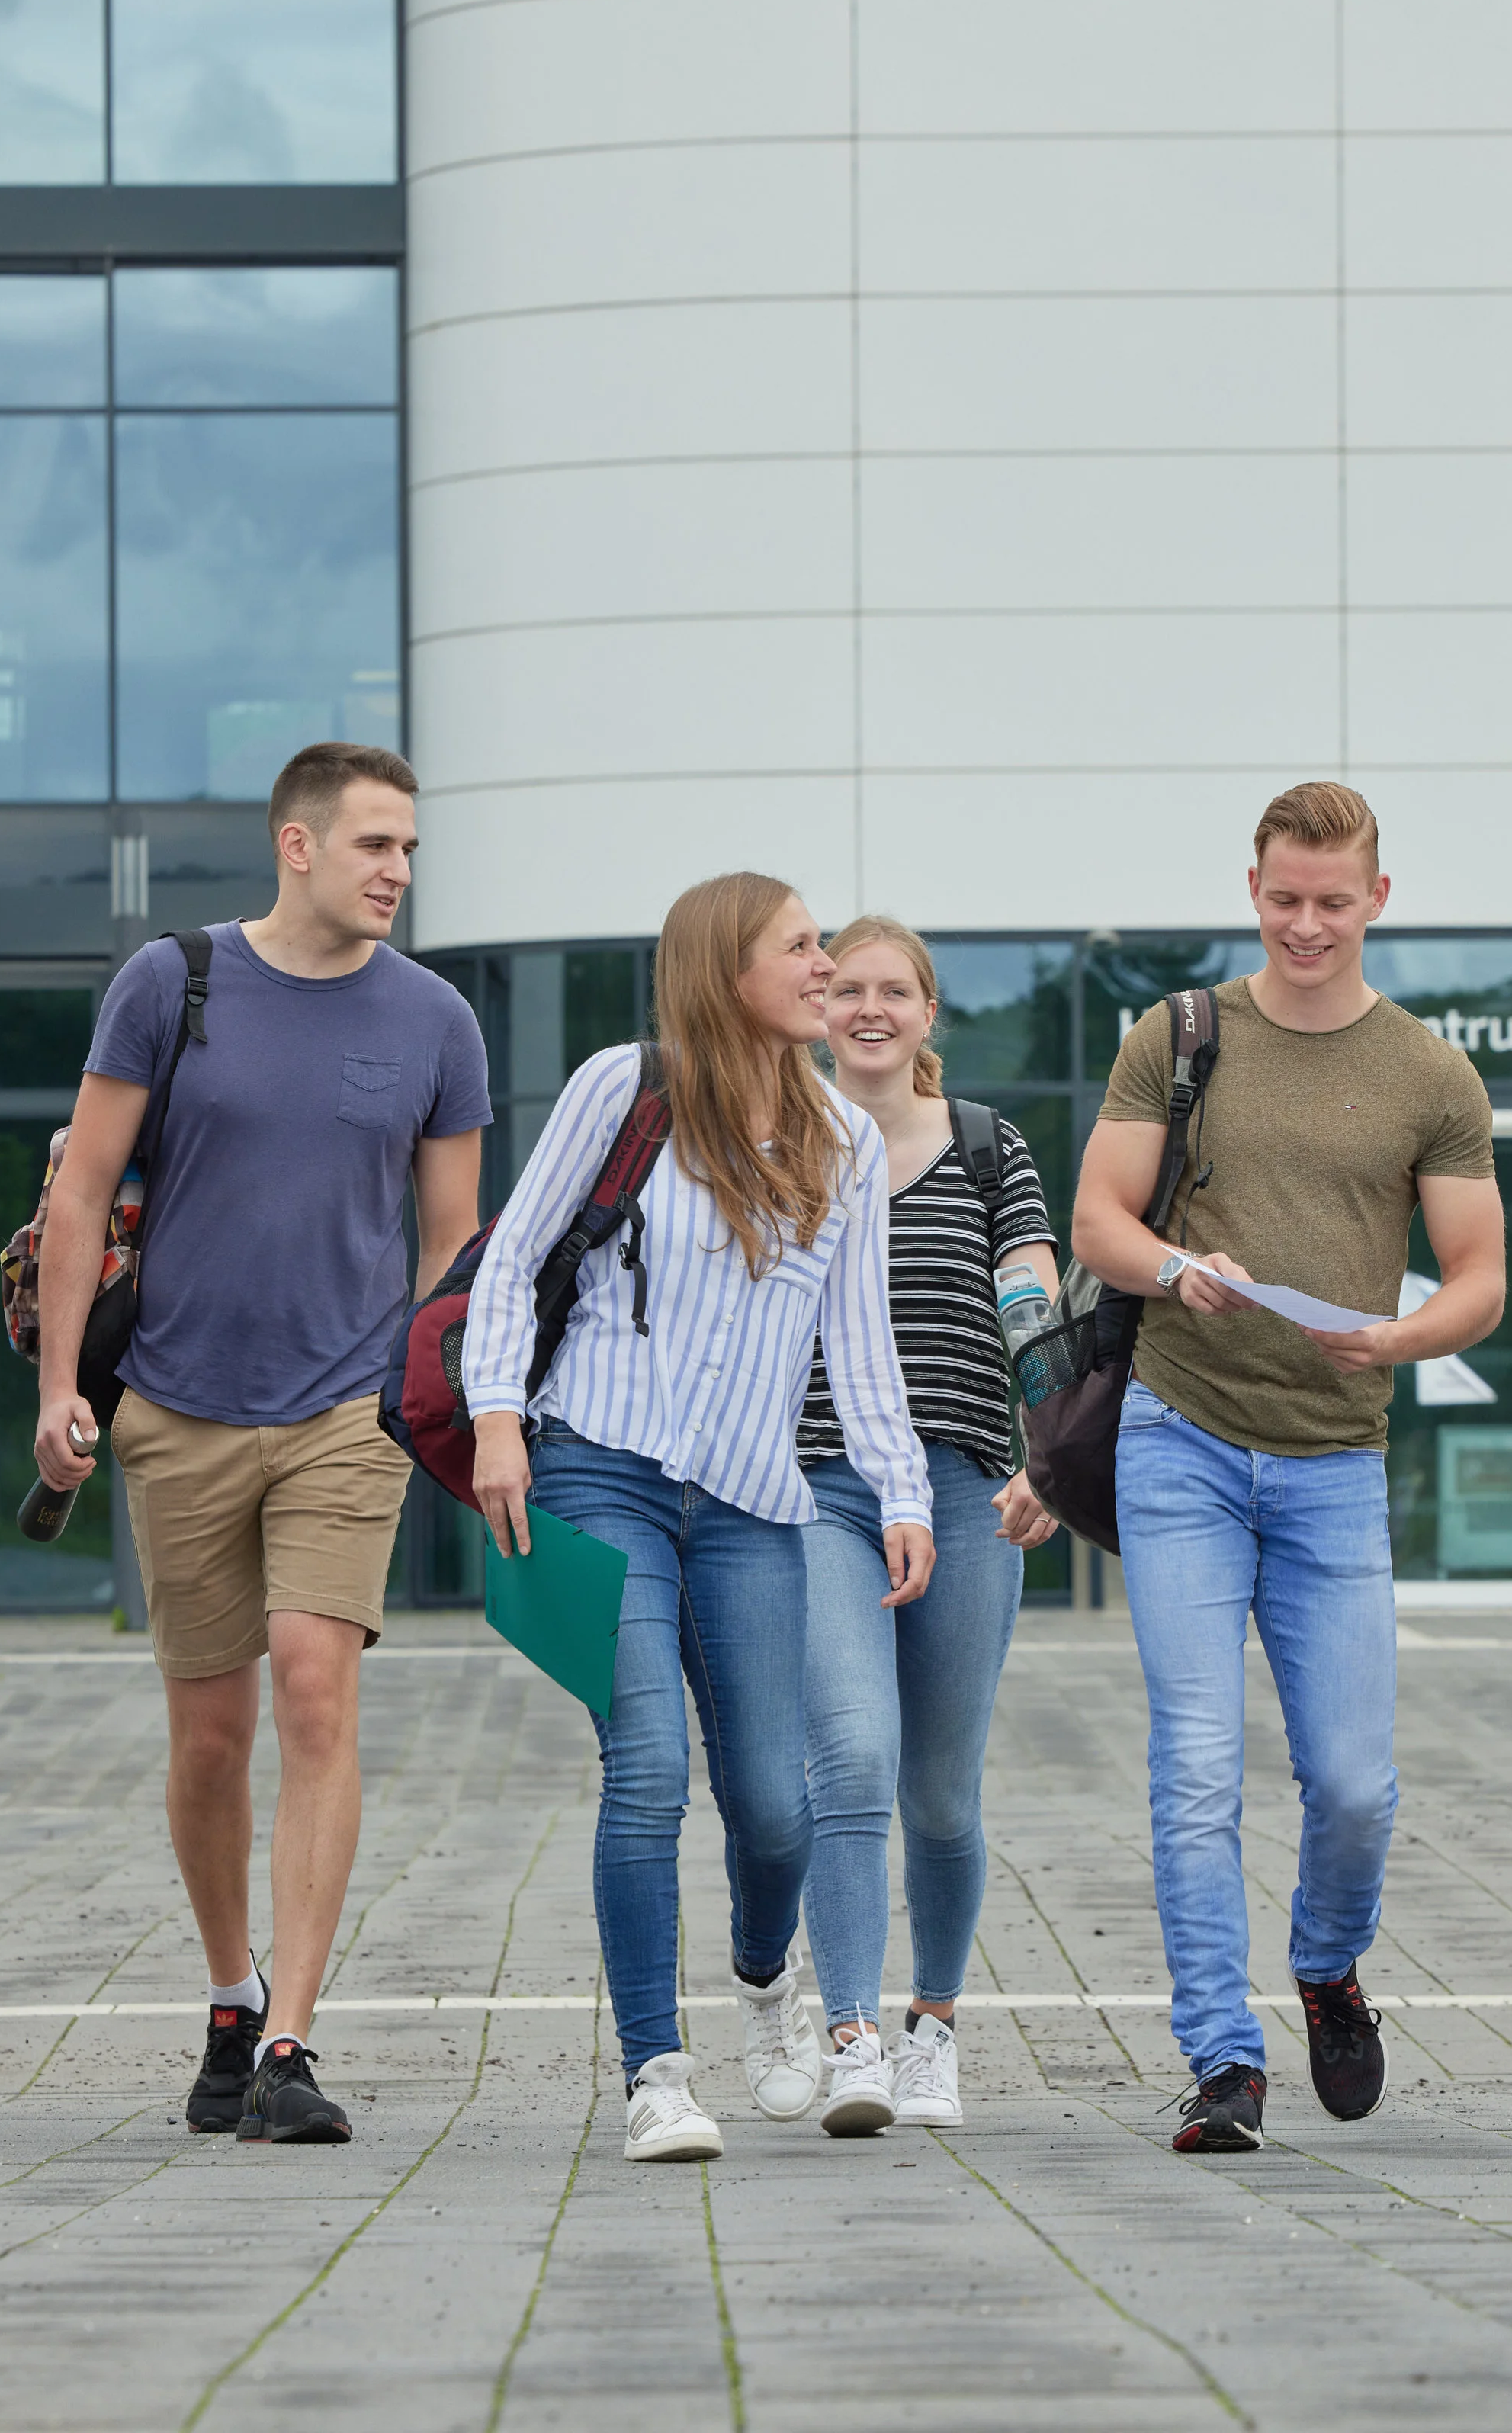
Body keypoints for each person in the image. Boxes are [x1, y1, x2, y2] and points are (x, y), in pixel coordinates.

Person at [28, 743, 490, 2146]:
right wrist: (60, 1385)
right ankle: (229, 1992)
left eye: (409, 849)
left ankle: (289, 2036)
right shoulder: (175, 984)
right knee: (211, 1735)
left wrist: (433, 1392)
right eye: (373, 847)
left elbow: (453, 1241)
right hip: (175, 1406)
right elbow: (82, 1186)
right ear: (298, 847)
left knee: (314, 1689)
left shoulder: (437, 1021)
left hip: (347, 1411)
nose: (397, 872)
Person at [465, 875, 936, 2164]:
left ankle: (764, 1979)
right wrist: (498, 1414)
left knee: (773, 1810)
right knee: (649, 1771)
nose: (827, 962)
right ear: (727, 968)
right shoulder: (624, 1089)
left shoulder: (844, 1140)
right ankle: (654, 2075)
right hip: (599, 1471)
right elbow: (512, 1258)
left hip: (750, 1504)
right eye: (799, 945)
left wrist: (900, 1490)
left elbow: (863, 1342)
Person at [1070, 782, 1505, 2157]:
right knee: (1195, 1768)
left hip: (1332, 1463)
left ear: (1380, 898)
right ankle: (1223, 2058)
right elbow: (1099, 1222)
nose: (1306, 924)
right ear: (1251, 888)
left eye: (1333, 900)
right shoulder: (1180, 1033)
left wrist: (1405, 1335)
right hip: (1178, 1440)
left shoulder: (1432, 1074)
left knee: (1356, 1783)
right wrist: (1176, 1269)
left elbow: (1485, 1282)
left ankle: (1327, 1963)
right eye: (1283, 897)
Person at [792, 916, 1064, 2130]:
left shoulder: (989, 1147)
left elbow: (1033, 1302)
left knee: (942, 1793)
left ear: (928, 1014)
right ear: (816, 1004)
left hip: (961, 1487)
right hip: (812, 1491)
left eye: (893, 991)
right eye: (845, 987)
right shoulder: (773, 1143)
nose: (868, 1008)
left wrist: (1052, 1449)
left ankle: (931, 2031)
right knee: (848, 1753)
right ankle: (849, 2031)